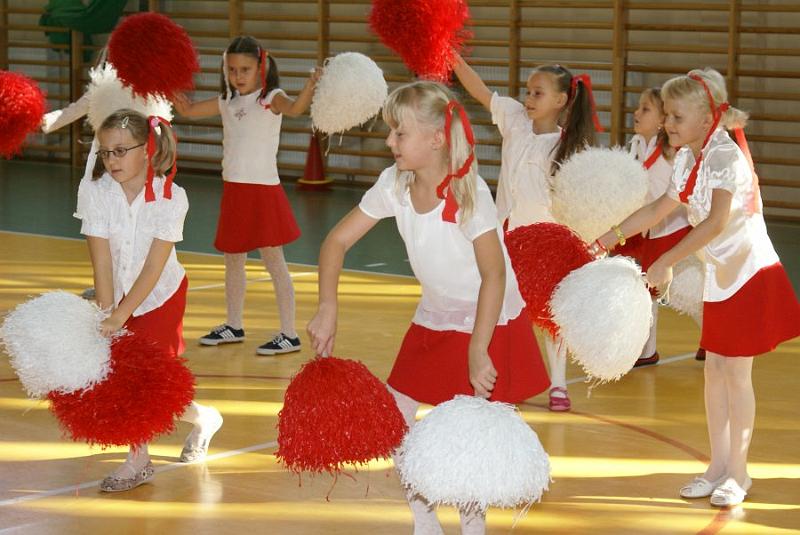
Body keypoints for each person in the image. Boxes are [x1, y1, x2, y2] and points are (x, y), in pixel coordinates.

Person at [307, 81, 549, 534]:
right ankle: (424, 522)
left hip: (486, 320)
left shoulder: (467, 192)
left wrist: (479, 349)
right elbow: (336, 241)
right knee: (393, 424)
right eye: (391, 133)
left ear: (436, 139)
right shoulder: (393, 185)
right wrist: (327, 306)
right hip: (436, 316)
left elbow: (494, 275)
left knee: (467, 437)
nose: (389, 142)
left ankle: (472, 528)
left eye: (400, 133)